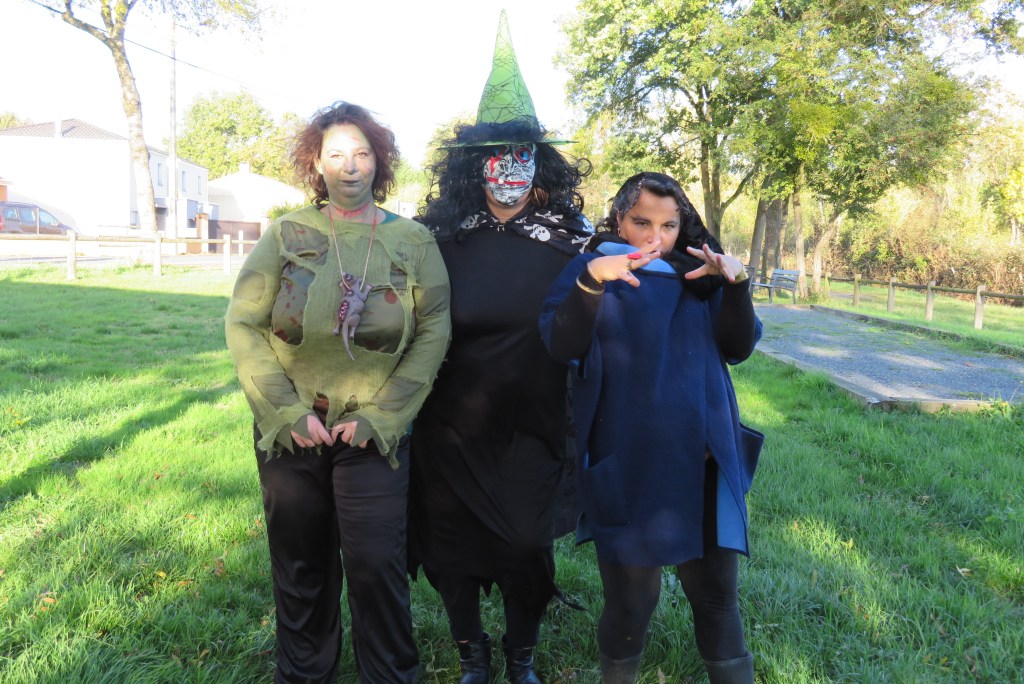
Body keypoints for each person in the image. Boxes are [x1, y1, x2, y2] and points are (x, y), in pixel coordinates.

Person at [224, 101, 450, 683]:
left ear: (380, 161)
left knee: (377, 566)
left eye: (362, 153)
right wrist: (285, 411)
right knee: (301, 565)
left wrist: (383, 416)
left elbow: (433, 330)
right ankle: (304, 674)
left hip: (374, 434)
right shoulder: (286, 234)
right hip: (292, 431)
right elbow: (244, 323)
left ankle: (390, 675)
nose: (350, 166)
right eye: (336, 155)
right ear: (316, 164)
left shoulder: (414, 240)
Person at [408, 11, 592, 684]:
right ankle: (472, 655)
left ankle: (522, 655)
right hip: (451, 425)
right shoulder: (440, 240)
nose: (508, 167)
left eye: (521, 154)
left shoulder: (574, 242)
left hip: (534, 424)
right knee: (450, 547)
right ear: (473, 167)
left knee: (524, 544)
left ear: (541, 163)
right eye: (495, 155)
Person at [539, 172, 764, 684]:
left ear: (683, 225)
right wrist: (592, 282)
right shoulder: (592, 266)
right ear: (619, 218)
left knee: (716, 596)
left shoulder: (700, 273)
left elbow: (737, 348)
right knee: (631, 601)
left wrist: (736, 286)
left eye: (668, 225)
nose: (654, 237)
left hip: (703, 462)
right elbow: (560, 344)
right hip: (627, 461)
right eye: (641, 222)